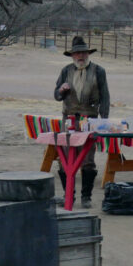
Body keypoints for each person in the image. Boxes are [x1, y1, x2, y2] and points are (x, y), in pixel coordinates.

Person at [53, 35, 110, 208]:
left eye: (83, 53)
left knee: (88, 159)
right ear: (72, 55)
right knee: (64, 159)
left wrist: (104, 121)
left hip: (89, 120)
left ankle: (86, 197)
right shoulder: (66, 71)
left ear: (88, 54)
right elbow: (56, 95)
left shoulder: (99, 71)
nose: (80, 56)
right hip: (68, 120)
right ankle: (68, 196)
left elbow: (105, 97)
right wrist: (61, 90)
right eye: (77, 53)